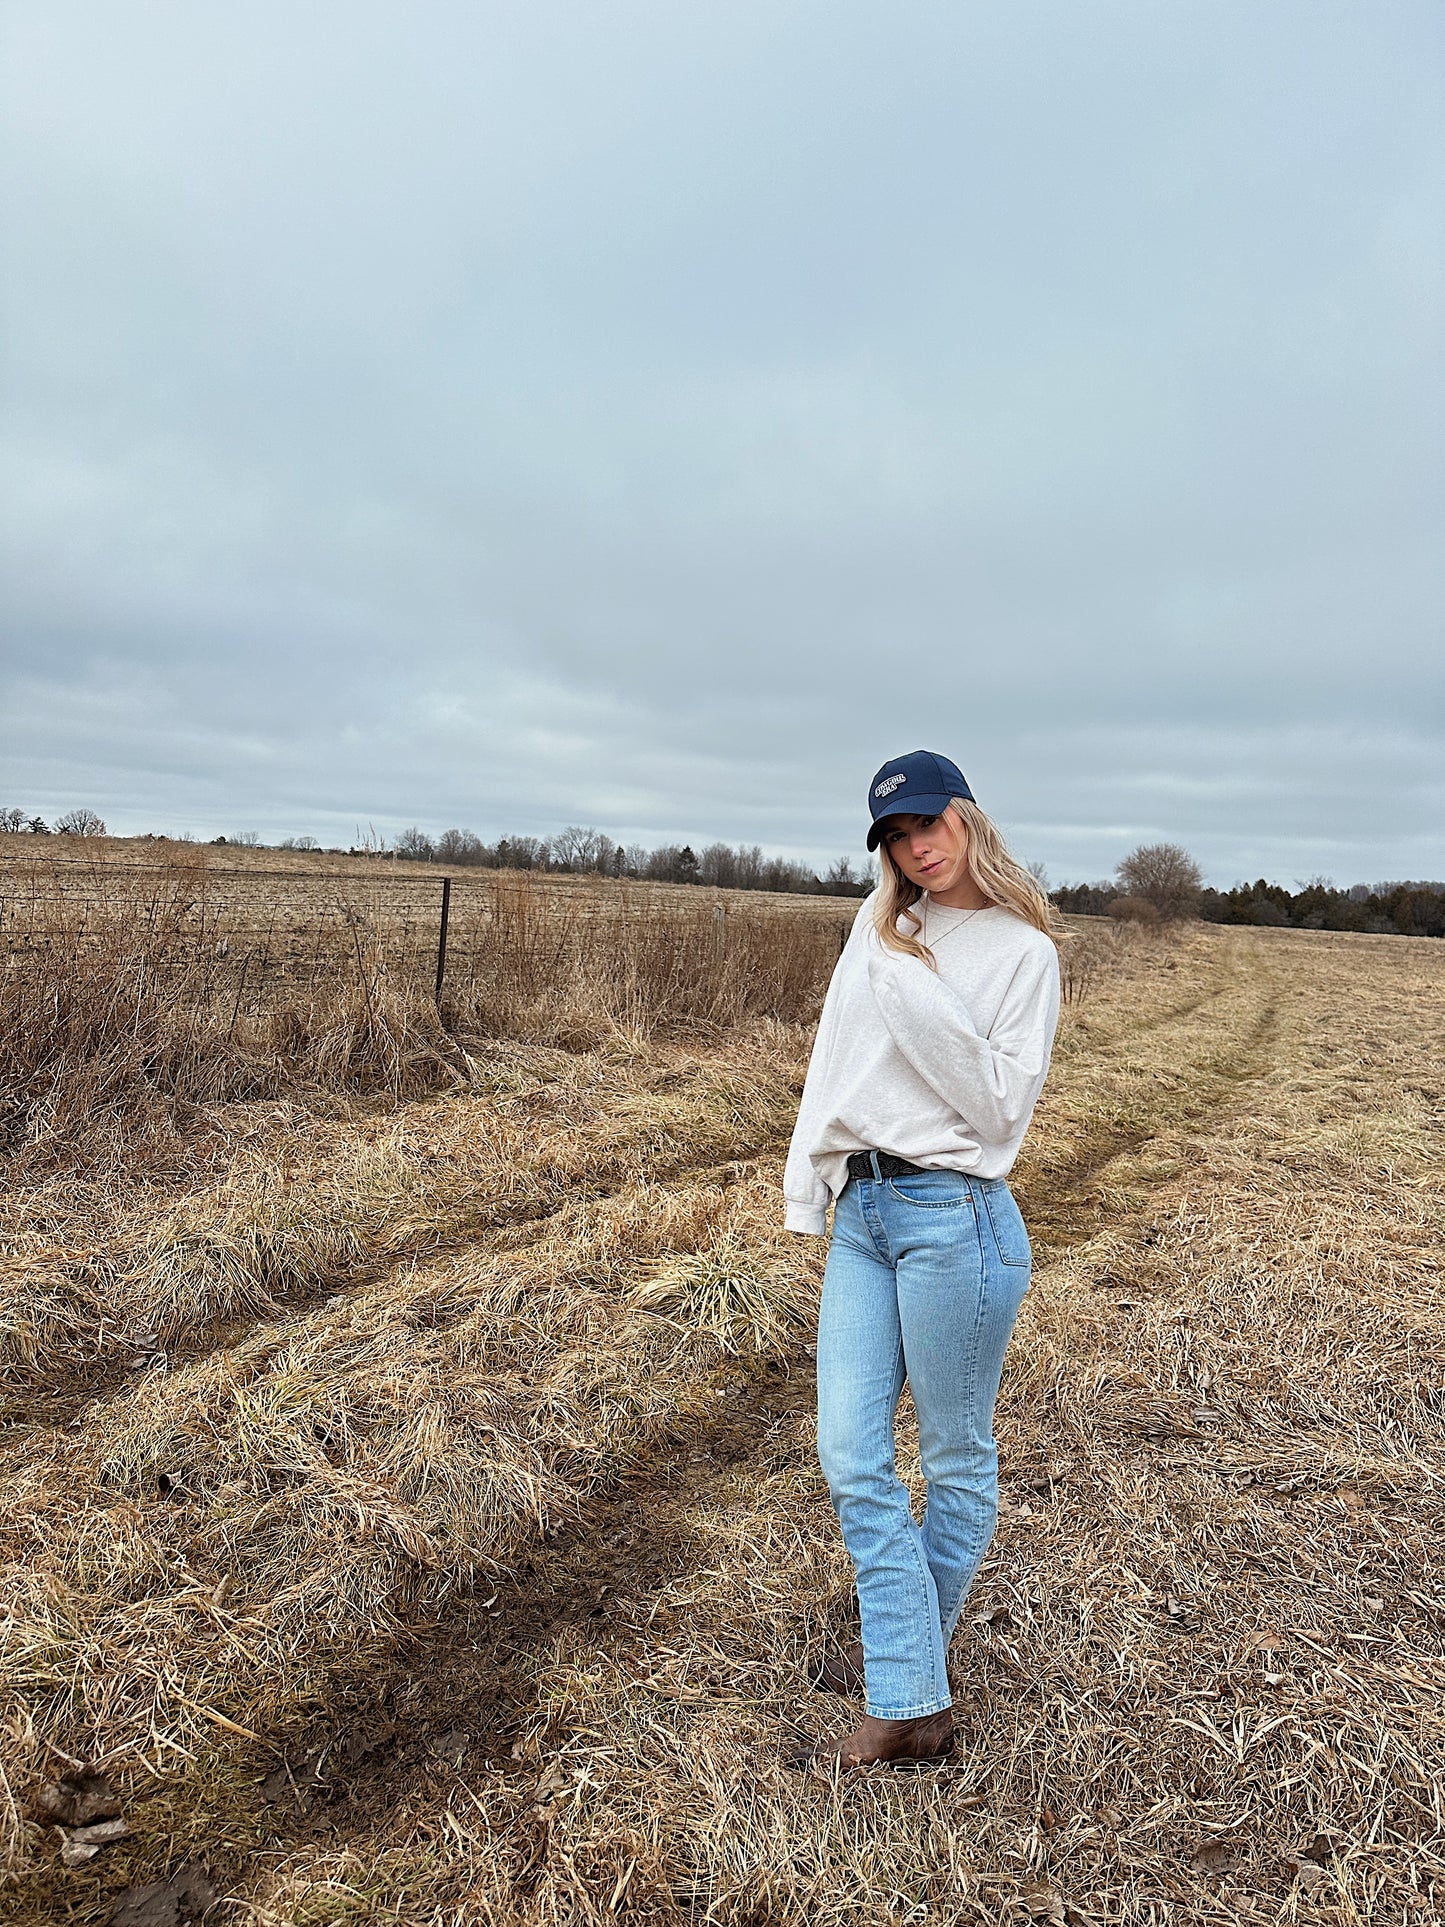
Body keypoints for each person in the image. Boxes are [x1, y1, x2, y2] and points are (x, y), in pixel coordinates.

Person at [783, 749, 1062, 1771]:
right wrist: (803, 1185)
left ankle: (902, 1688)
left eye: (924, 823)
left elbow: (997, 1104)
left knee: (951, 1457)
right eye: (894, 837)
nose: (914, 848)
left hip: (957, 1216)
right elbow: (833, 1062)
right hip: (863, 1207)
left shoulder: (1021, 953)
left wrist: (908, 984)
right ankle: (914, 1680)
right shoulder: (874, 930)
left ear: (965, 818)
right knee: (848, 1452)